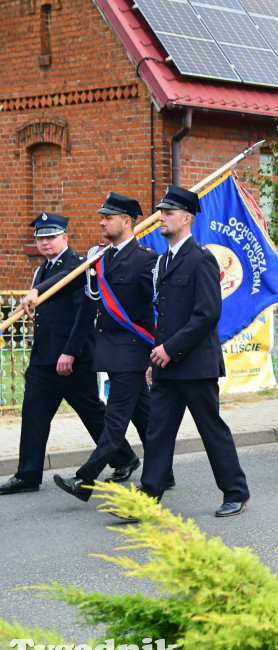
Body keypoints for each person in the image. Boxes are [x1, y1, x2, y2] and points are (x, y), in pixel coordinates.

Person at [0, 214, 138, 495]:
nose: (45, 242)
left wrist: (69, 353)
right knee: (33, 414)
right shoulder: (42, 270)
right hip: (43, 359)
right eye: (40, 238)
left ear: (65, 237)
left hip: (71, 358)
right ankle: (27, 474)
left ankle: (125, 458)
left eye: (51, 237)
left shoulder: (78, 267)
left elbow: (84, 315)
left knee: (91, 411)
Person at [138, 186, 250, 518]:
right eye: (161, 211)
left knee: (210, 429)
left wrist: (170, 349)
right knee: (157, 431)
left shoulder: (201, 259)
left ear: (187, 218)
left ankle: (235, 491)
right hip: (167, 365)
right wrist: (156, 357)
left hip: (196, 364)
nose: (162, 217)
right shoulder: (163, 260)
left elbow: (207, 313)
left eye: (169, 212)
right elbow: (166, 315)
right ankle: (148, 495)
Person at [52, 192, 169, 503]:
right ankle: (164, 473)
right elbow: (73, 278)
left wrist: (156, 354)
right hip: (113, 352)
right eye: (102, 217)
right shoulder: (102, 256)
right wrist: (38, 290)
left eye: (108, 217)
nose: (101, 222)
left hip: (133, 352)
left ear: (127, 222)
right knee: (144, 416)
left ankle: (84, 480)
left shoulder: (145, 260)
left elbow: (160, 309)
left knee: (114, 421)